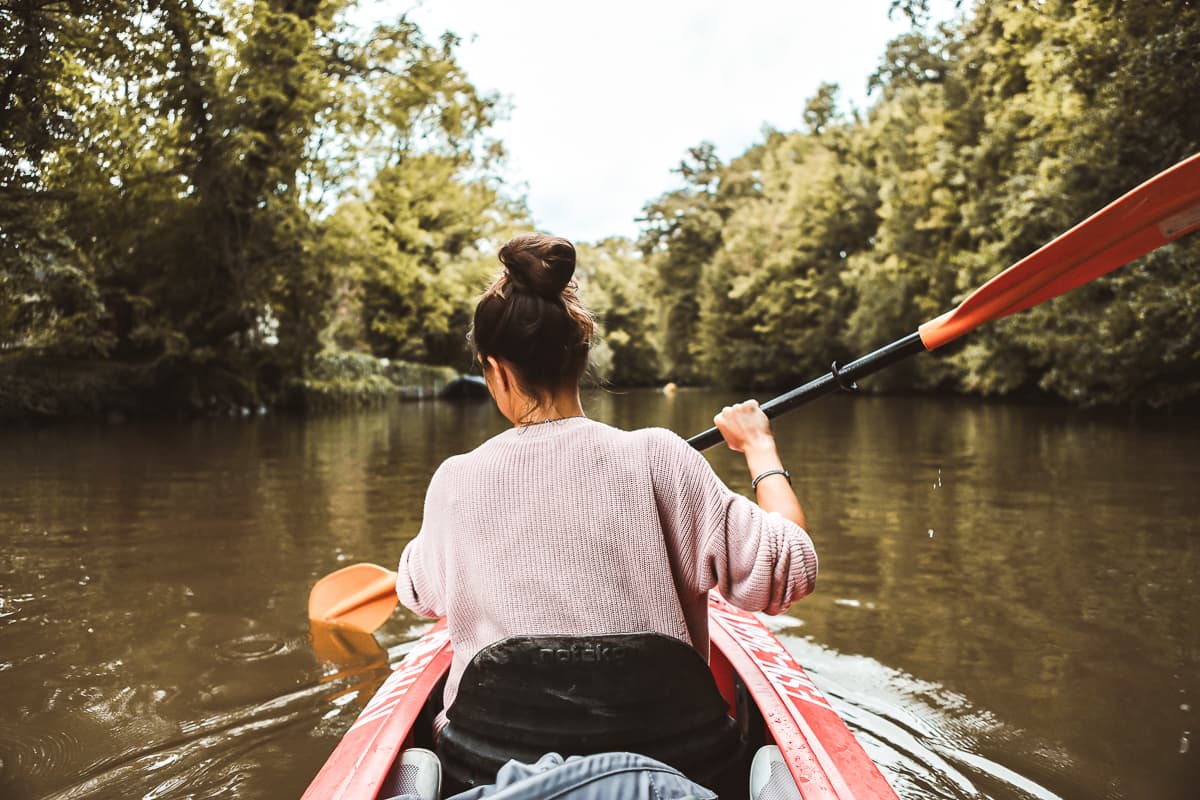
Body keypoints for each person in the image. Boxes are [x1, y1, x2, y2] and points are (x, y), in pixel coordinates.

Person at [394, 232, 817, 766]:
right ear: (580, 355)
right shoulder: (661, 456)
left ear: (494, 370)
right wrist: (759, 446)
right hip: (671, 765)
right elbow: (792, 567)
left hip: (492, 768)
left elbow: (419, 593)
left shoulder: (454, 481)